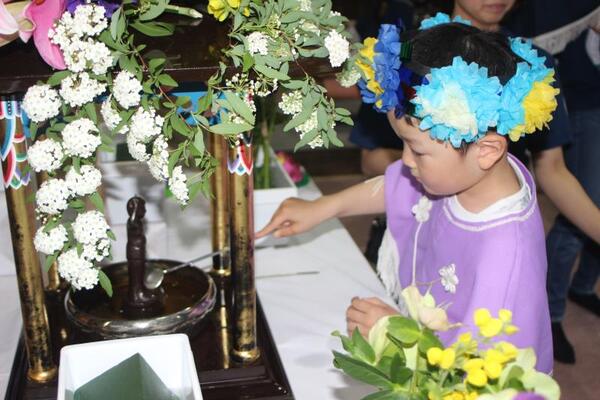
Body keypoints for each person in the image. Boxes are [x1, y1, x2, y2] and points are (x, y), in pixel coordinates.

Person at [258, 19, 558, 373]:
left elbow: (478, 377)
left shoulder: (506, 259)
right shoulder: (468, 173)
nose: (405, 160)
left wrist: (399, 335)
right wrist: (324, 206)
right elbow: (397, 187)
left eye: (417, 150)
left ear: (488, 151)